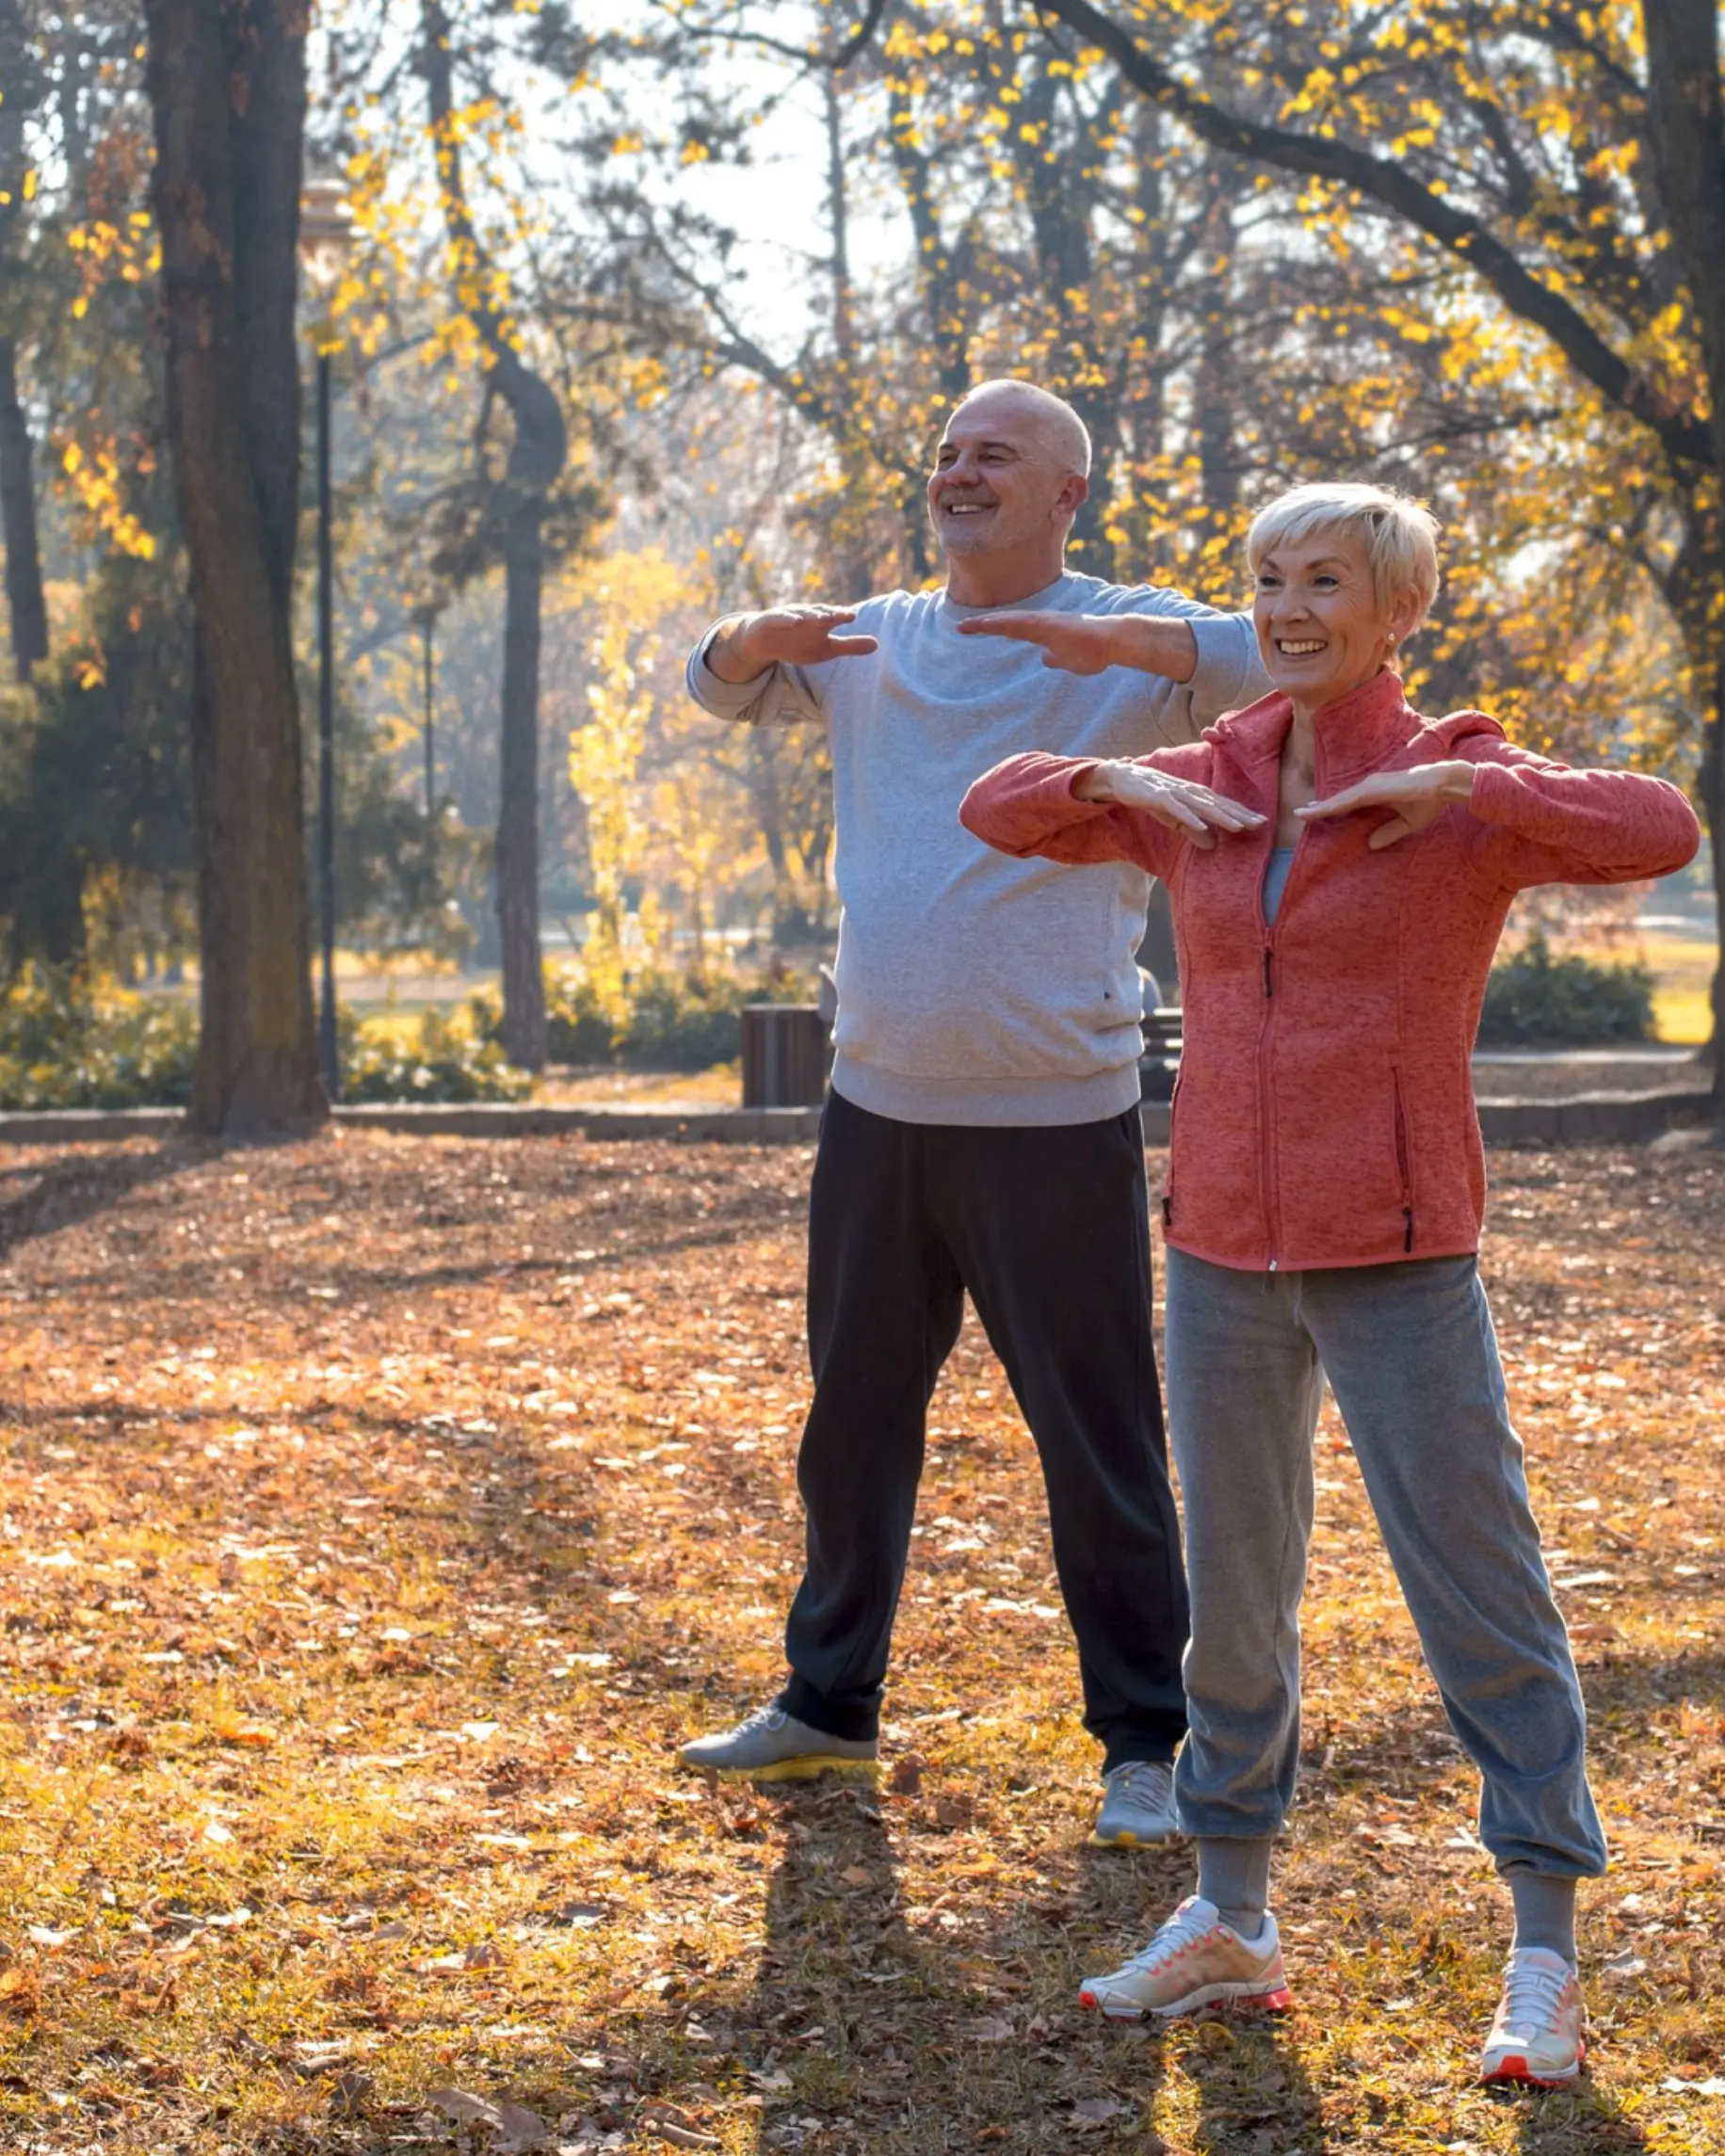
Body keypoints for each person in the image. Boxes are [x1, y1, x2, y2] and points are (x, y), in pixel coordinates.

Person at [959, 481, 1699, 2083]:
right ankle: (1230, 1916)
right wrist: (1099, 768)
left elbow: (1661, 827)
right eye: (1268, 579)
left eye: (1325, 581)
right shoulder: (1201, 781)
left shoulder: (1461, 786)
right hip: (1220, 1247)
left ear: (1395, 609)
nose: (1289, 607)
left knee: (1480, 1594)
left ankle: (1545, 1953)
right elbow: (999, 808)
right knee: (1233, 1606)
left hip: (1402, 1251)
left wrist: (1476, 787)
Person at [676, 378, 1270, 1846]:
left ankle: (1148, 1742)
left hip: (1055, 1116)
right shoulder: (877, 637)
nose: (959, 470)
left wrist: (1121, 643)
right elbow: (711, 682)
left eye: (994, 453)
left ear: (1069, 494)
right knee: (853, 1421)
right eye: (947, 452)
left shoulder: (1137, 637)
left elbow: (1293, 655)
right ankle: (827, 1701)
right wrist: (752, 637)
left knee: (1101, 1441)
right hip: (877, 1103)